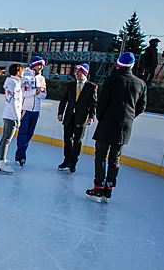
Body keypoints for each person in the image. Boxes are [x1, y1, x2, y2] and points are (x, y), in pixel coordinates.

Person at [86, 52, 146, 203]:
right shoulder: (141, 84)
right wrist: (129, 118)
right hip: (125, 127)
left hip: (107, 124)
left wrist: (102, 118)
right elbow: (141, 107)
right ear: (132, 65)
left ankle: (98, 187)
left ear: (118, 64)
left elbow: (102, 103)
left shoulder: (112, 80)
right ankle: (109, 188)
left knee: (100, 155)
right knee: (115, 157)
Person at [57, 63, 98, 173]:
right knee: (67, 140)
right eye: (76, 72)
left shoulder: (91, 87)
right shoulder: (70, 85)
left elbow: (93, 103)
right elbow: (64, 100)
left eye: (79, 72)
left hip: (81, 118)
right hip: (69, 117)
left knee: (77, 141)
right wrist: (60, 112)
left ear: (85, 73)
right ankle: (66, 160)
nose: (77, 74)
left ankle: (73, 162)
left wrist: (91, 116)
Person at [15, 56, 47, 166]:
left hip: (36, 110)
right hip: (25, 109)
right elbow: (22, 93)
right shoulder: (24, 76)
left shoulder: (41, 78)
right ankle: (20, 155)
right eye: (40, 65)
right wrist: (35, 92)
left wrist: (39, 93)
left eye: (43, 65)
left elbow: (44, 95)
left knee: (29, 133)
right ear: (34, 65)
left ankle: (22, 152)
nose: (41, 67)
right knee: (23, 132)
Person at [0, 63, 24, 174]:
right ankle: (1, 161)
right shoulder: (14, 85)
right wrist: (17, 118)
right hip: (11, 116)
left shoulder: (12, 84)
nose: (22, 73)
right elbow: (13, 102)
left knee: (5, 139)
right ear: (17, 72)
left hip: (8, 115)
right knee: (6, 140)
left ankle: (0, 159)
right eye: (21, 71)